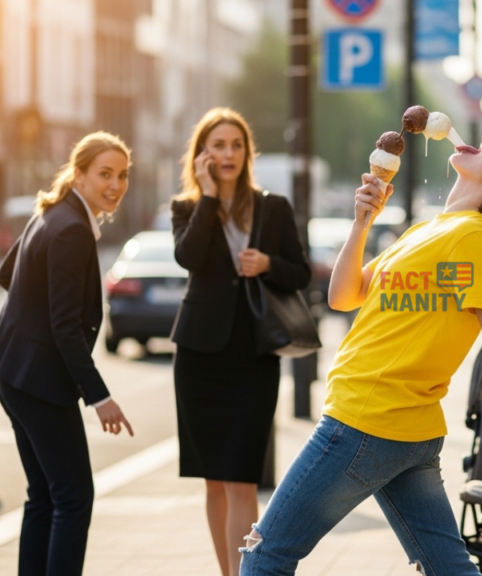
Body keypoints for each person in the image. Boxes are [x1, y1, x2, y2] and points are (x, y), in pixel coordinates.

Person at [239, 135, 482, 576]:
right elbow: (344, 295)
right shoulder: (430, 231)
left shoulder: (473, 239)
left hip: (364, 420)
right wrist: (362, 221)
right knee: (450, 570)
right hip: (403, 430)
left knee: (264, 554)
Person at [0, 132, 135, 576]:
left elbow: (7, 274)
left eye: (122, 175)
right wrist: (100, 398)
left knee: (45, 495)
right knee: (73, 497)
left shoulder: (52, 213)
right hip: (39, 381)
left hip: (13, 372)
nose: (115, 185)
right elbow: (65, 325)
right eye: (104, 174)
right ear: (79, 173)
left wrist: (32, 314)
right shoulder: (71, 229)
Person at [170, 108, 311, 576]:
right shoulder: (187, 208)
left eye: (236, 145)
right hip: (198, 357)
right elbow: (188, 258)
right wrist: (209, 197)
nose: (228, 153)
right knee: (212, 481)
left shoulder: (273, 207)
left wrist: (267, 263)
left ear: (247, 153)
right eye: (218, 145)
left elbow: (301, 271)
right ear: (202, 154)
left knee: (243, 480)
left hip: (253, 357)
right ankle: (227, 572)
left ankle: (246, 575)